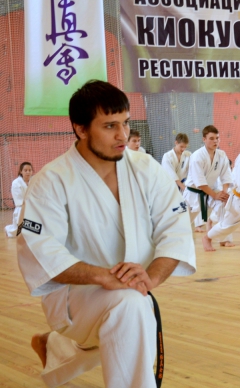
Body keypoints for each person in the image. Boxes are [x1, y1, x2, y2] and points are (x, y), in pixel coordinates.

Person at [17, 80, 196, 388]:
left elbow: (175, 227)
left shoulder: (146, 168)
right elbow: (40, 248)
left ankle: (54, 346)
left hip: (129, 289)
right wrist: (102, 276)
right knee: (132, 308)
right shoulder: (51, 181)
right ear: (81, 129)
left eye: (126, 123)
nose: (123, 135)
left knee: (130, 312)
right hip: (72, 298)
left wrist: (151, 277)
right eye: (110, 126)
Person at [183, 125, 233, 250]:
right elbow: (200, 183)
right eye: (211, 138)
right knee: (183, 223)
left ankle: (223, 239)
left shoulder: (221, 155)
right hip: (194, 193)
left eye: (217, 138)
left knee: (223, 207)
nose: (215, 141)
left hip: (212, 191)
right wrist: (215, 195)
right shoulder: (197, 156)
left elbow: (226, 176)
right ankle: (175, 245)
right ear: (204, 139)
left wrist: (223, 193)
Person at [5, 162, 33, 237]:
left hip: (32, 207)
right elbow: (19, 200)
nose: (28, 172)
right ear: (21, 171)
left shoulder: (34, 181)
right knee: (17, 232)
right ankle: (9, 229)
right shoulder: (16, 183)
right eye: (25, 170)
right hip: (21, 208)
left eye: (30, 170)